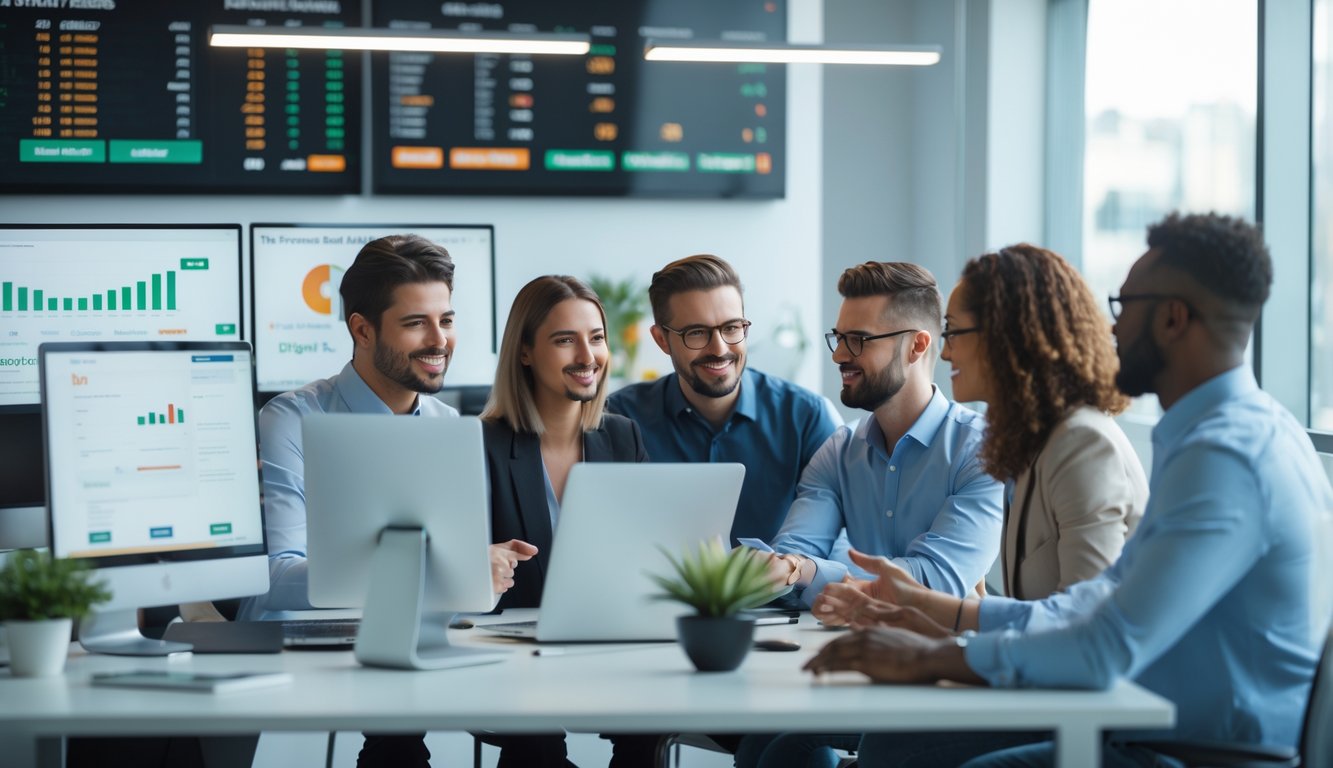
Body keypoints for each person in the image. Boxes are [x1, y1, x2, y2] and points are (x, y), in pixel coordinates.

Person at [808, 213, 1333, 767]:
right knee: (893, 745)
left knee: (900, 750)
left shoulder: (1226, 458)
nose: (1110, 329)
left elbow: (1104, 646)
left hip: (1199, 752)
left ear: (1174, 319)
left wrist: (932, 658)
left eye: (1125, 308)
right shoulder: (1225, 435)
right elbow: (1095, 602)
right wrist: (940, 613)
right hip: (1160, 732)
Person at [750, 245, 1151, 768]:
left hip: (1087, 708)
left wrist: (940, 632)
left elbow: (1080, 628)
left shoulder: (1078, 444)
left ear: (1009, 341)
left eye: (956, 332)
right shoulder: (1024, 446)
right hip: (1032, 680)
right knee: (781, 743)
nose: (948, 351)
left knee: (887, 748)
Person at [236, 234, 535, 768]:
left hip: (421, 649)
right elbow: (270, 585)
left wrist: (480, 576)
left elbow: (458, 599)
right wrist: (441, 571)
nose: (439, 339)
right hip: (317, 656)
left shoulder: (450, 427)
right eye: (416, 322)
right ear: (362, 329)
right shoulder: (293, 419)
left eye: (446, 320)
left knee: (535, 733)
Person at [734, 262, 1005, 768]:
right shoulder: (838, 453)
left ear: (917, 345)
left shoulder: (982, 451)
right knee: (766, 747)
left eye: (858, 340)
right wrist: (782, 568)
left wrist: (807, 574)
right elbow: (796, 559)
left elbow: (935, 584)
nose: (839, 354)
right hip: (863, 673)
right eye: (839, 337)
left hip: (953, 677)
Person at [478, 274, 657, 768]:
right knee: (536, 746)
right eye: (565, 340)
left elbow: (647, 552)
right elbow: (458, 575)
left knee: (650, 726)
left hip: (607, 647)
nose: (587, 355)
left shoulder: (622, 437)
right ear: (526, 352)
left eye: (596, 338)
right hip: (513, 662)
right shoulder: (482, 444)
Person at [607, 254, 841, 546]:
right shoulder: (619, 417)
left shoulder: (807, 416)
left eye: (731, 328)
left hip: (780, 592)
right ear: (662, 340)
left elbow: (837, 533)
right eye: (696, 333)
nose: (719, 349)